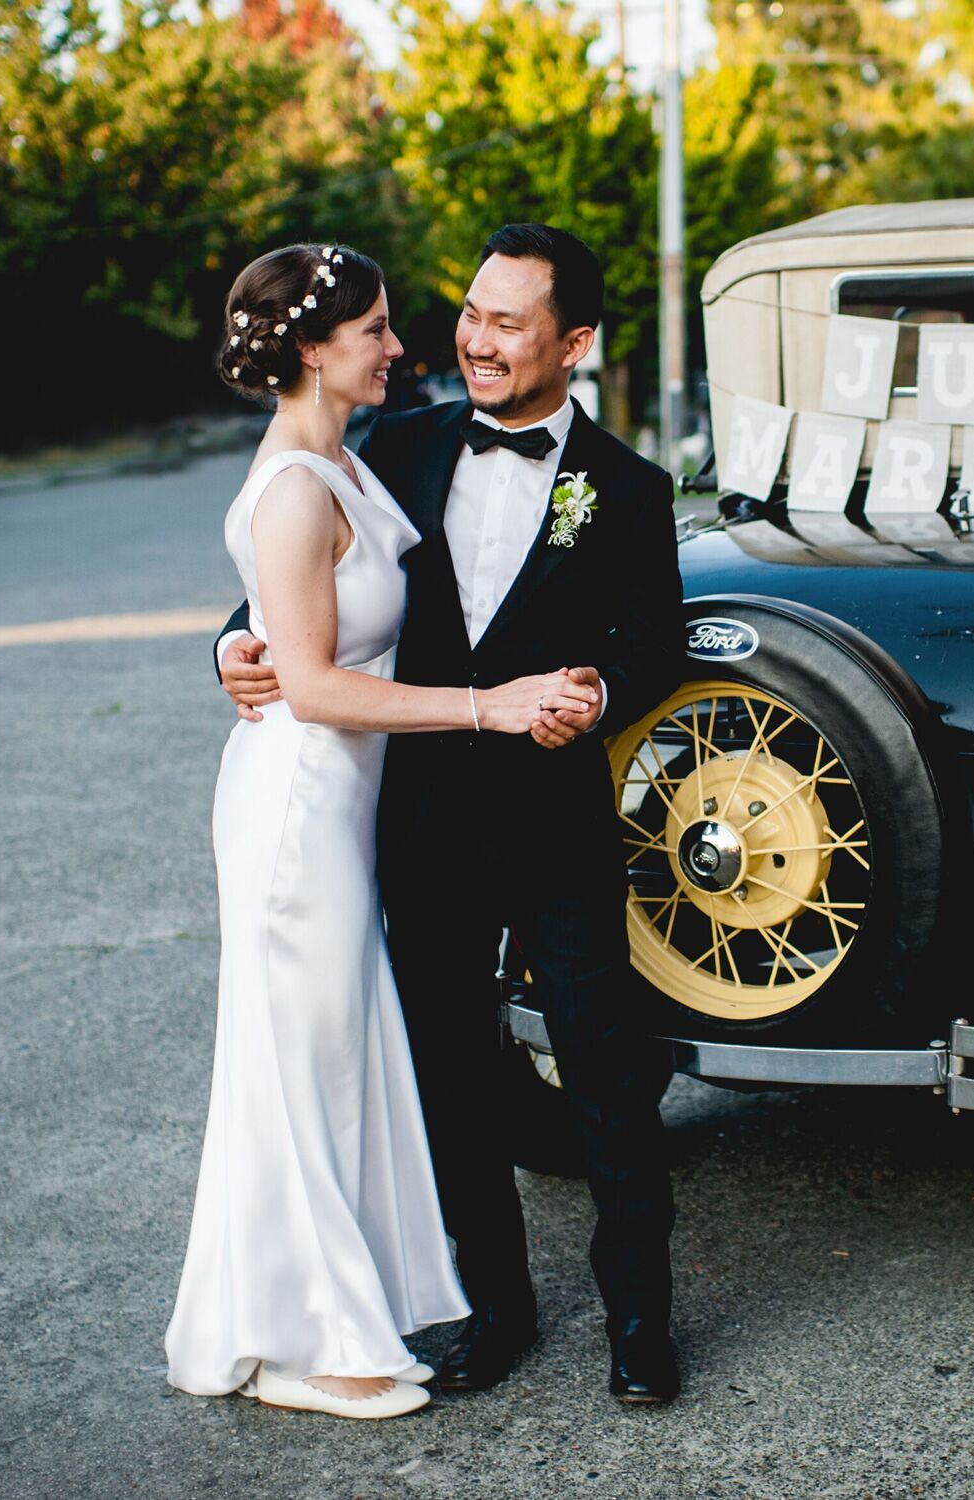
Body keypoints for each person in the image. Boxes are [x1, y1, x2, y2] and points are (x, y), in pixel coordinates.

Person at [217, 224, 688, 1403]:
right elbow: (290, 573)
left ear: (572, 343)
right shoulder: (396, 440)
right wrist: (226, 643)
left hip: (556, 822)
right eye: (470, 312)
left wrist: (604, 693)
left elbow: (657, 646)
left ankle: (639, 1319)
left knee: (607, 1074)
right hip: (417, 821)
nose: (472, 340)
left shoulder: (627, 489)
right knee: (449, 1075)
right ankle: (495, 1308)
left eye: (507, 322)